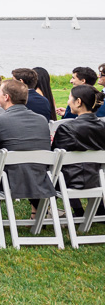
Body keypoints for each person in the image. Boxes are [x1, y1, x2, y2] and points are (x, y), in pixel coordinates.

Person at [0, 79, 56, 210]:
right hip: (40, 177)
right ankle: (37, 211)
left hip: (8, 180)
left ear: (6, 97)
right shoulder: (41, 120)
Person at [52, 85, 105, 218]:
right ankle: (98, 209)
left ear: (79, 102)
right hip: (99, 179)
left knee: (50, 170)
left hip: (71, 180)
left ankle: (78, 210)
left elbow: (55, 157)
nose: (69, 101)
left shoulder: (66, 128)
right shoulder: (103, 126)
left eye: (70, 98)